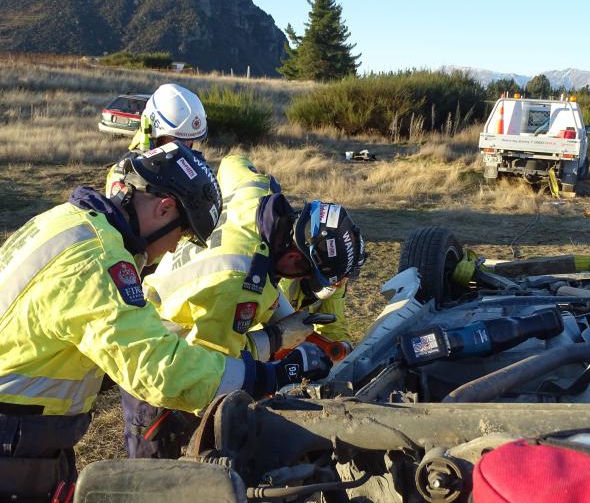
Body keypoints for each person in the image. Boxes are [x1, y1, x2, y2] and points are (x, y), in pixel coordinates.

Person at [0, 143, 331, 501]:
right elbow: (161, 369)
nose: (175, 249)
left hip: (30, 430)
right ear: (164, 208)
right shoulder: (98, 260)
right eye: (184, 233)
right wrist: (270, 375)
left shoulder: (64, 220)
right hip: (14, 436)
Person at [121, 154, 365, 459]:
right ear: (294, 259)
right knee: (159, 474)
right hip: (159, 354)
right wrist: (277, 340)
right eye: (305, 274)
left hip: (170, 303)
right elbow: (210, 370)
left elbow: (232, 162)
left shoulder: (255, 191)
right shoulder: (239, 284)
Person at [105, 82, 208, 198]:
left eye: (191, 140)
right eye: (178, 140)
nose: (186, 146)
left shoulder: (184, 166)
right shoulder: (129, 172)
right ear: (153, 134)